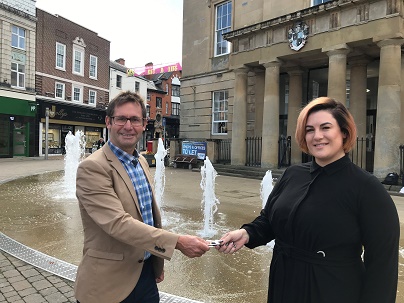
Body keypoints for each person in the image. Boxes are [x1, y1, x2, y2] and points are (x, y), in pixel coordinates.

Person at [217, 97, 399, 303]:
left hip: (332, 289)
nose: (317, 136)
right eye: (310, 129)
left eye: (326, 127)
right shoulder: (292, 174)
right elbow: (269, 220)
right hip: (284, 284)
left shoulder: (367, 188)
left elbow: (383, 267)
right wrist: (247, 233)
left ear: (344, 132)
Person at [74, 91, 210, 303]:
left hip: (144, 275)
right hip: (108, 284)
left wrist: (155, 262)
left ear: (144, 124)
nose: (128, 126)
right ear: (108, 122)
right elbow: (118, 223)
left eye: (135, 119)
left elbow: (147, 216)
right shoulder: (93, 167)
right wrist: (177, 242)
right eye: (121, 119)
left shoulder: (142, 161)